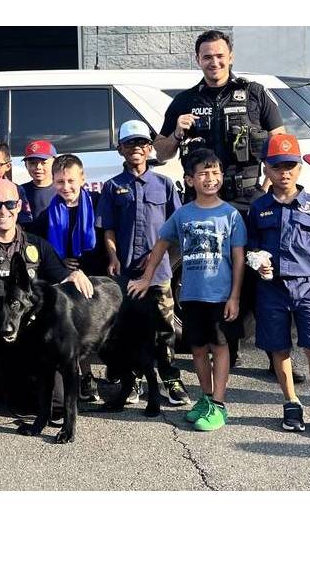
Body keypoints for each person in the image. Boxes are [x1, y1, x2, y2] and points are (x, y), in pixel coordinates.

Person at [152, 29, 290, 379]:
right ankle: (226, 346)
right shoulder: (183, 101)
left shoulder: (256, 94)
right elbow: (162, 151)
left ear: (230, 57)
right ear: (197, 60)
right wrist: (176, 132)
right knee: (212, 275)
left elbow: (280, 143)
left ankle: (278, 357)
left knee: (262, 277)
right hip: (203, 205)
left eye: (219, 55)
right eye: (206, 57)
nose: (213, 62)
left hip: (247, 202)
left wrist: (268, 182)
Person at [0, 179, 94, 423]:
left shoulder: (36, 245)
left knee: (53, 405)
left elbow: (62, 283)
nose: (3, 210)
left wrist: (73, 275)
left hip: (28, 333)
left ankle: (13, 387)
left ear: (19, 206)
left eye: (10, 203)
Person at [128, 149, 246, 431]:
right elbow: (161, 245)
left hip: (220, 297)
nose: (210, 178)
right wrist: (146, 278)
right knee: (196, 349)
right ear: (190, 180)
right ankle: (205, 399)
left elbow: (239, 258)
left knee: (219, 347)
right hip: (191, 296)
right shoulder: (183, 214)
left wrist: (234, 296)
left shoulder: (231, 215)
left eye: (215, 172)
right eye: (203, 173)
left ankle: (219, 404)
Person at [246, 134, 310, 436]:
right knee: (279, 348)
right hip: (271, 288)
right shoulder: (259, 207)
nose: (284, 172)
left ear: (300, 168)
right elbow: (251, 246)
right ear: (266, 169)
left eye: (290, 165)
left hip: (307, 287)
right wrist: (256, 261)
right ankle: (290, 402)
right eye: (277, 166)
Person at [100, 120, 190, 406]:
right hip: (126, 273)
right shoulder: (113, 186)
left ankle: (170, 377)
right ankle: (135, 378)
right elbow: (109, 227)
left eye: (141, 143)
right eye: (129, 144)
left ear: (150, 148)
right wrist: (113, 256)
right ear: (120, 149)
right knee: (129, 327)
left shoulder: (163, 185)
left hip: (160, 272)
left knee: (164, 327)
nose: (136, 148)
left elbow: (177, 227)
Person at [27, 154, 109, 401]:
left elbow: (108, 238)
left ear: (82, 178)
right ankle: (85, 377)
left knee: (101, 330)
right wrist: (62, 265)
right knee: (77, 331)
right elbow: (43, 253)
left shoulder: (96, 204)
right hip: (66, 283)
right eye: (60, 181)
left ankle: (118, 373)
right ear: (53, 182)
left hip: (97, 277)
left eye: (71, 181)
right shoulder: (45, 215)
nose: (66, 187)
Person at [18, 139, 58, 225]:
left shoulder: (62, 190)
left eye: (43, 163)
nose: (38, 167)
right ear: (26, 165)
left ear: (54, 163)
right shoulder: (19, 191)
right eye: (33, 163)